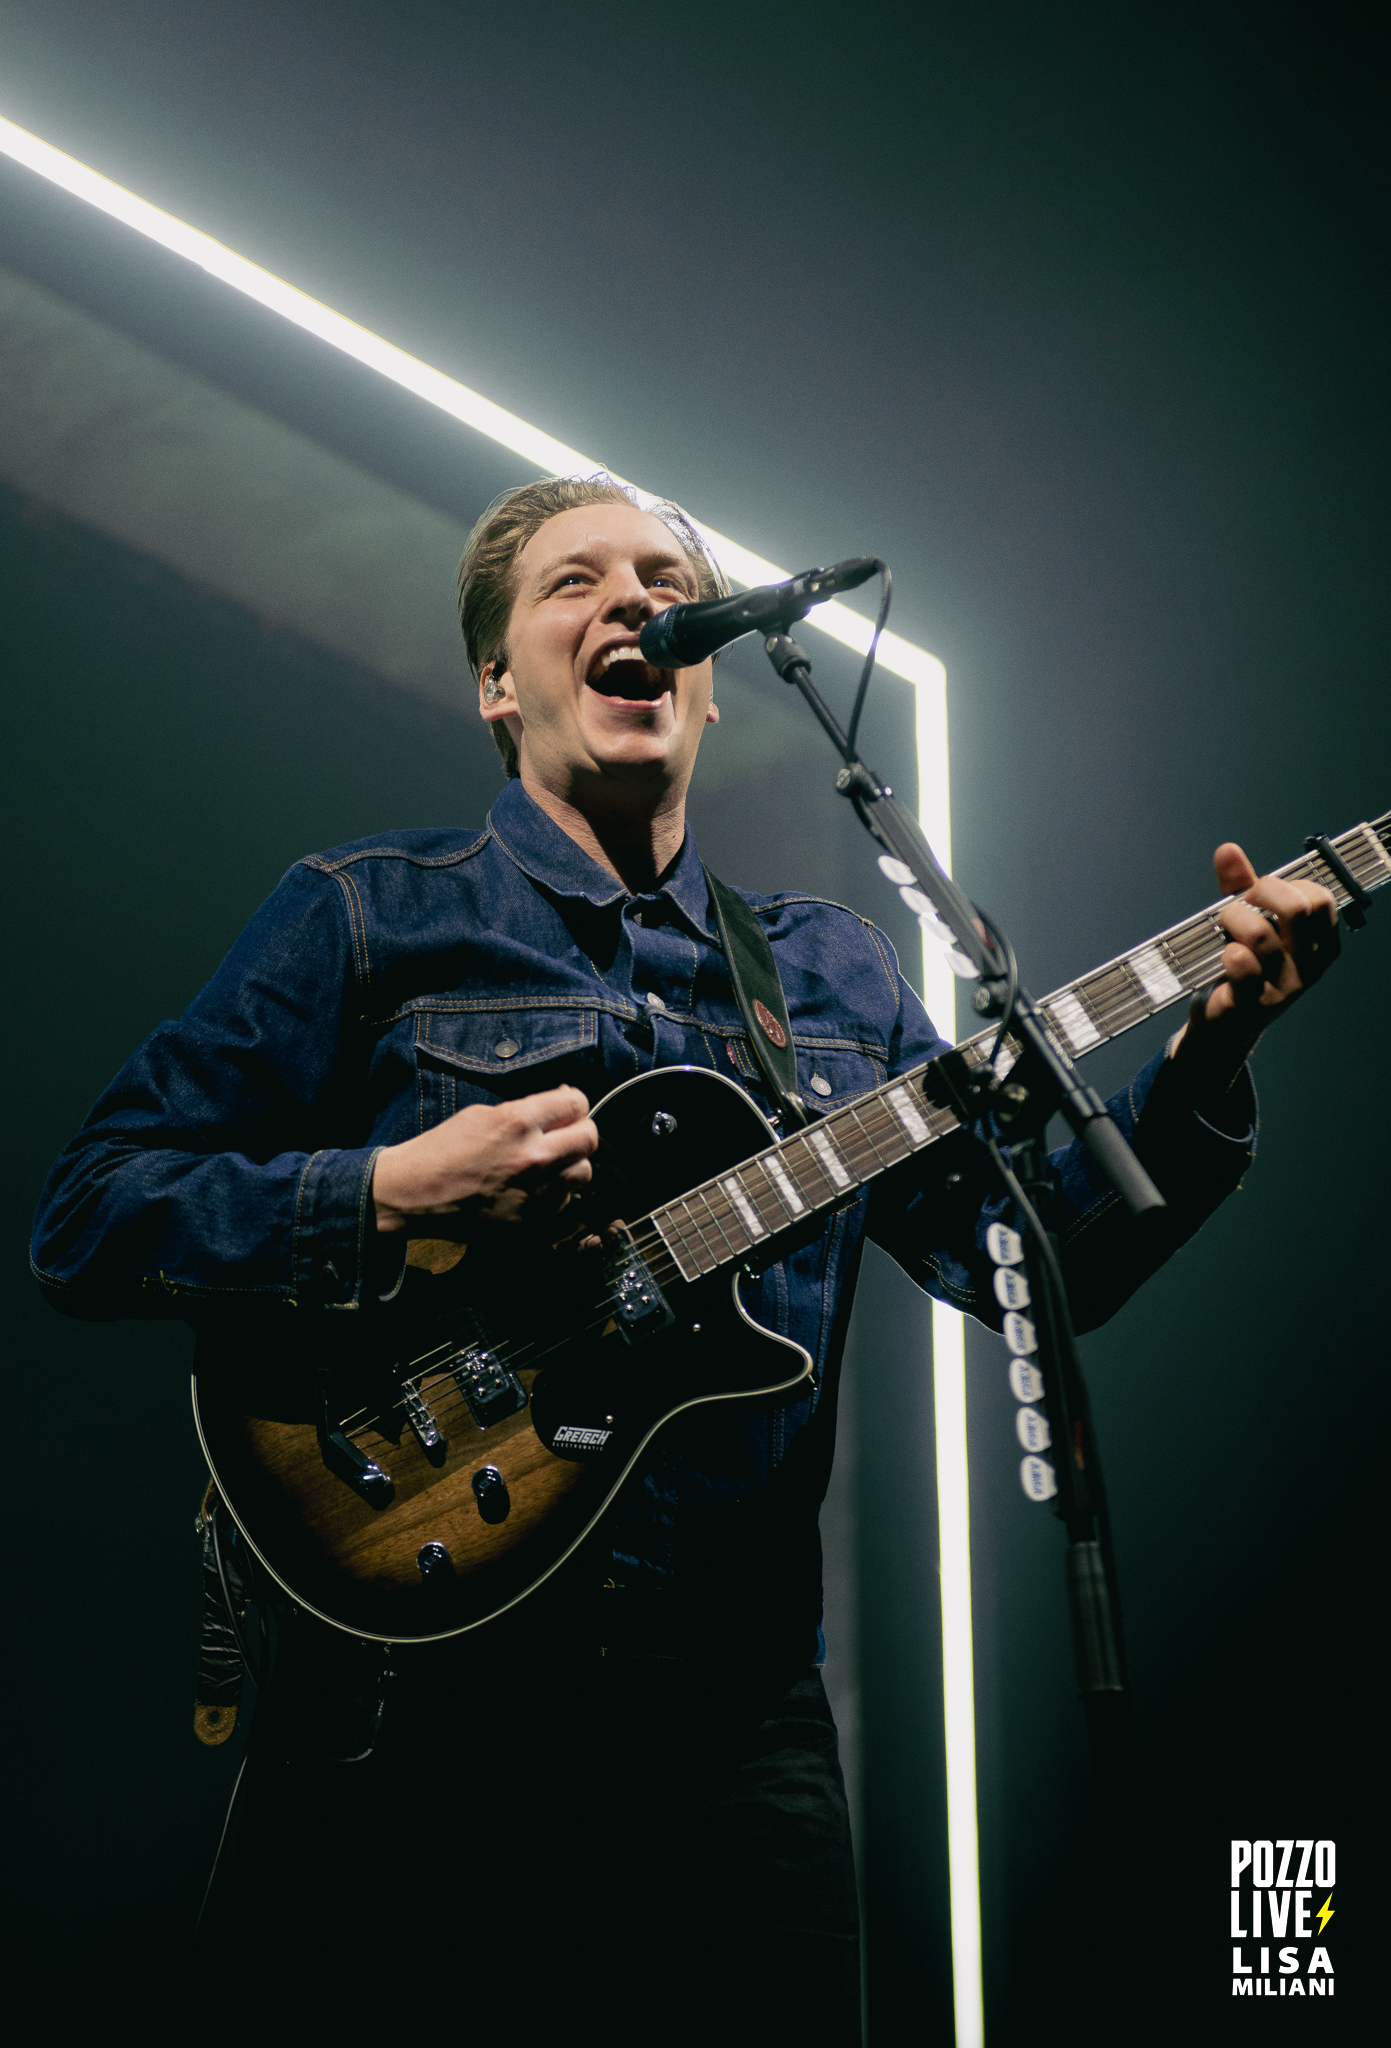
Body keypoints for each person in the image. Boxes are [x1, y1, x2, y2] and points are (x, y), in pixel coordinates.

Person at [31, 475, 1336, 2042]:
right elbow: (90, 1211)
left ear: (713, 674)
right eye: (574, 583)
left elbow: (1037, 1258)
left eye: (667, 578)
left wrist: (1204, 1063)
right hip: (420, 1718)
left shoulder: (832, 974)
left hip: (735, 1739)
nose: (635, 601)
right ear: (500, 683)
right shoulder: (370, 918)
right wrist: (387, 1186)